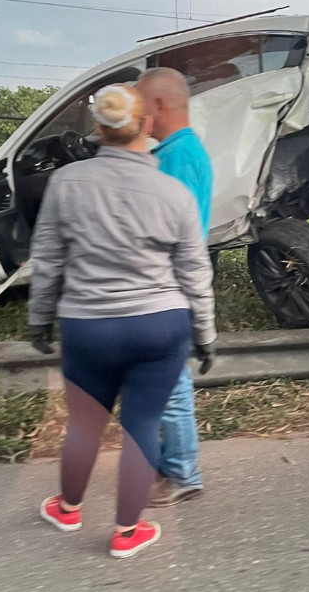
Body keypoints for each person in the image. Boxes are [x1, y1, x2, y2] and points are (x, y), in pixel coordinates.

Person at [26, 84, 216, 559]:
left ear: (98, 127)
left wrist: (39, 319)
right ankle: (126, 533)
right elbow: (195, 270)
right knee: (142, 424)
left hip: (89, 324)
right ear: (146, 125)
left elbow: (47, 260)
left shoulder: (66, 183)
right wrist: (205, 334)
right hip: (160, 324)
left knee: (84, 427)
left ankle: (68, 509)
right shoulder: (173, 191)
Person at [135, 67, 213, 508]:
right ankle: (172, 465)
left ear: (160, 106)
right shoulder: (176, 151)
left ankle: (182, 472)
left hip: (168, 286)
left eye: (143, 105)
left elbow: (170, 231)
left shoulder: (179, 157)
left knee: (171, 384)